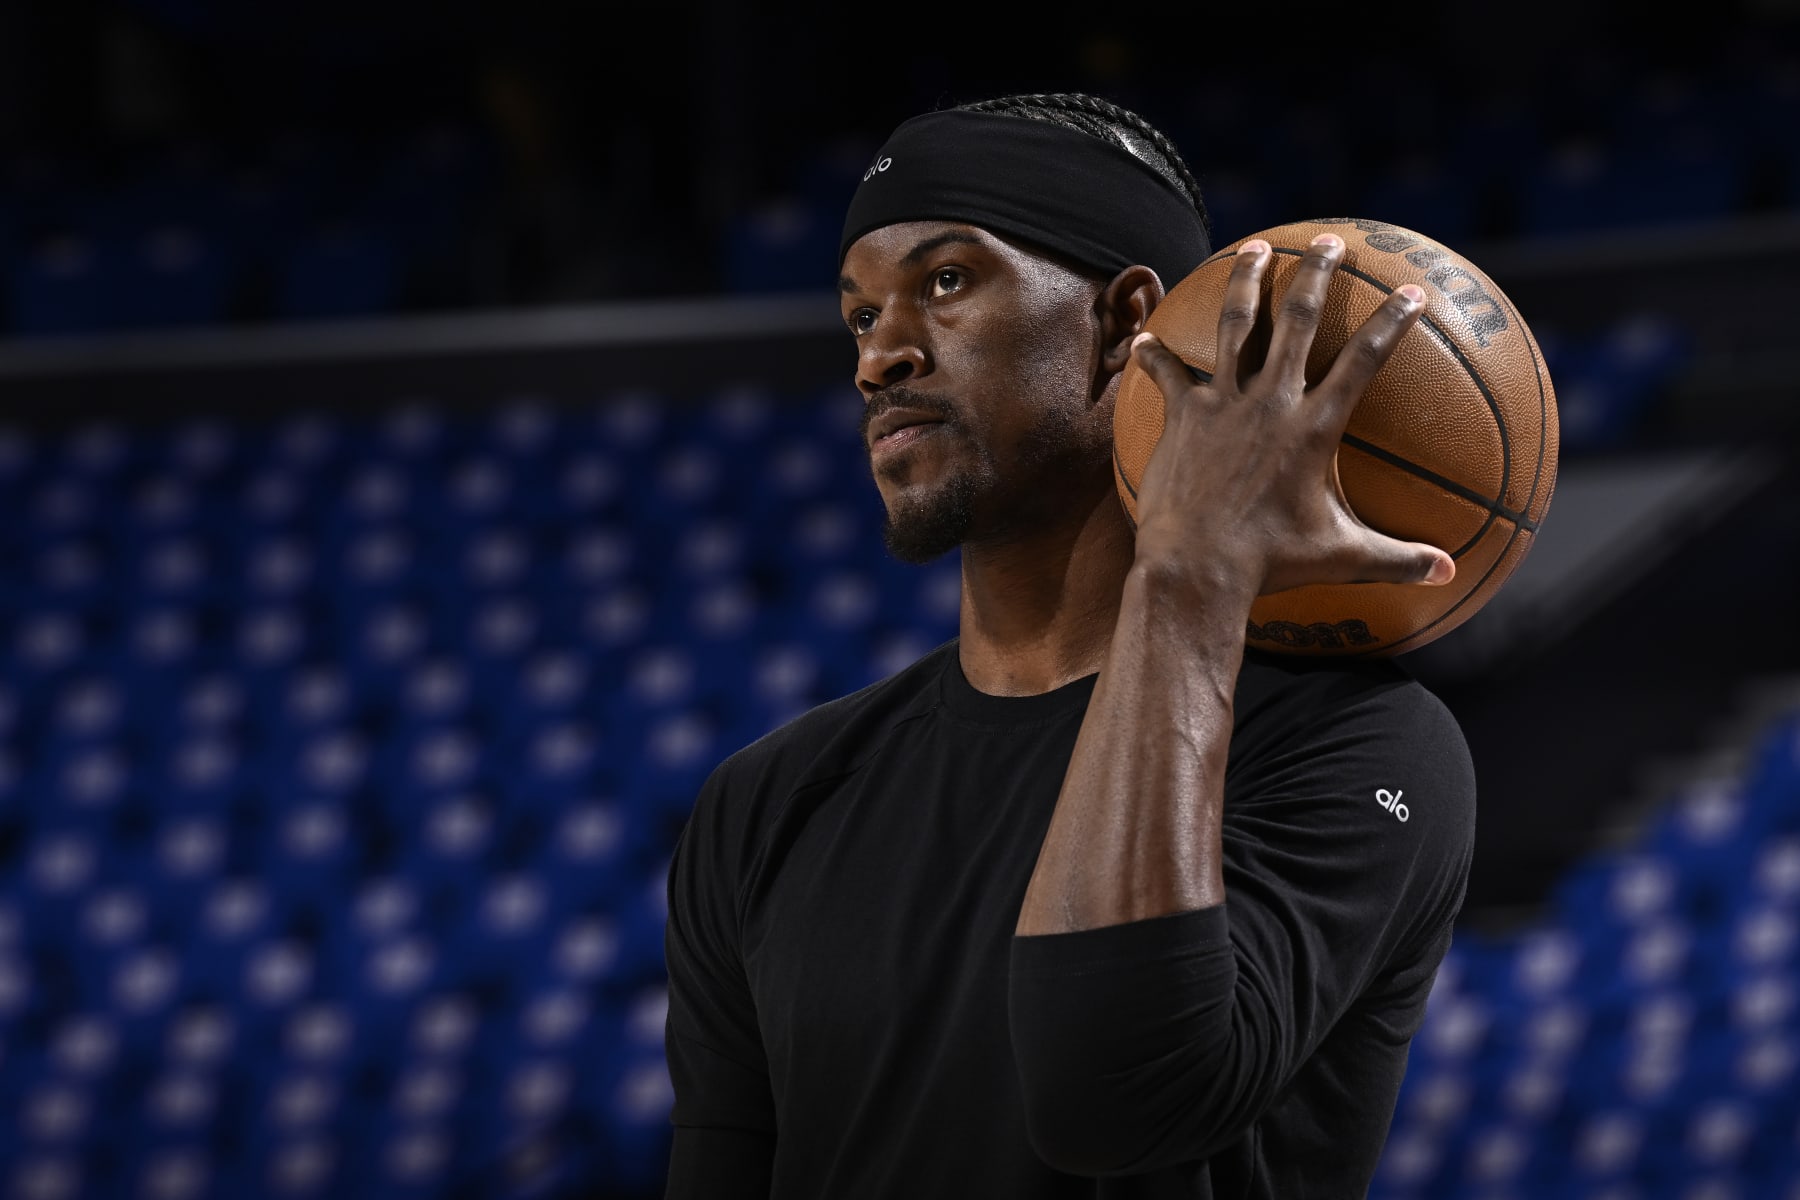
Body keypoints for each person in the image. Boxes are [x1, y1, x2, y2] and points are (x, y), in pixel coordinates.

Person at [661, 91, 1476, 1198]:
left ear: (1122, 322)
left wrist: (1189, 582)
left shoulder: (1361, 746)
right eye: (860, 317)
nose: (879, 359)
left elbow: (1114, 1096)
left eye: (946, 282)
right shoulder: (765, 801)